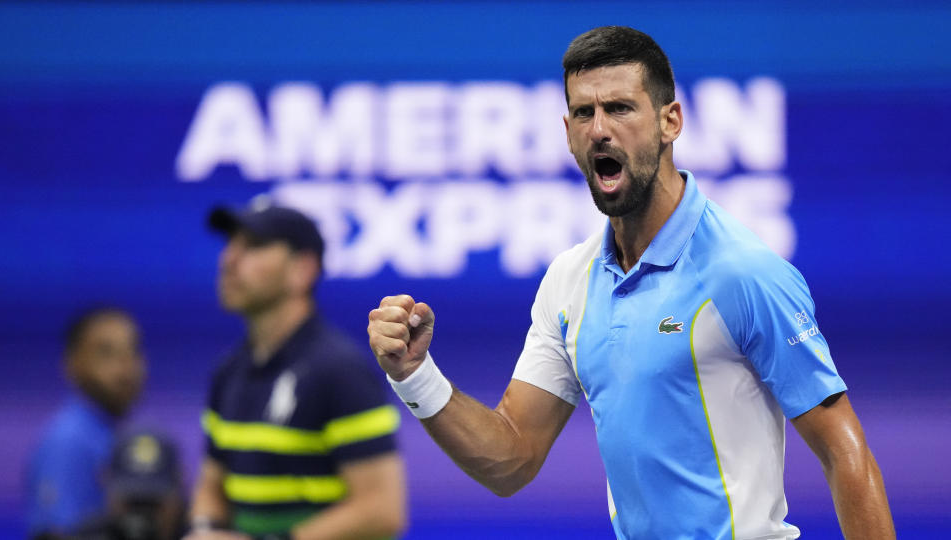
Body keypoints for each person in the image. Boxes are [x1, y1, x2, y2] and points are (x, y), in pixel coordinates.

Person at [367, 26, 895, 539]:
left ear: (671, 122)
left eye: (619, 108)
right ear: (568, 132)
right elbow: (512, 459)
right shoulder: (567, 281)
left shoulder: (744, 272)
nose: (600, 128)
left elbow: (844, 452)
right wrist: (415, 375)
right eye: (583, 112)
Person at [188, 202, 406, 540]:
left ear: (302, 269)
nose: (228, 260)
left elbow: (381, 511)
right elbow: (211, 488)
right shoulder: (228, 372)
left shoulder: (341, 371)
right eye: (230, 245)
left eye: (254, 246)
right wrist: (204, 531)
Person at [27, 307, 146, 538]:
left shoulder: (129, 435)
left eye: (133, 350)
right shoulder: (68, 442)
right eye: (106, 353)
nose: (125, 366)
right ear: (72, 364)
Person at [73, 431, 186, 540]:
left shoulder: (196, 534)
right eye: (133, 502)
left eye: (153, 502)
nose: (142, 516)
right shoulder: (87, 535)